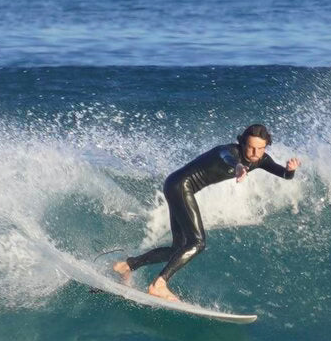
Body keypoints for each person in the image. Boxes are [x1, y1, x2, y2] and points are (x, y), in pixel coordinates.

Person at [113, 123, 300, 301]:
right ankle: (159, 284)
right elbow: (228, 158)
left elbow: (283, 174)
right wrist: (238, 167)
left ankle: (127, 265)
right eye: (251, 147)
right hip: (180, 186)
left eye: (261, 148)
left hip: (175, 185)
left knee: (178, 248)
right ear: (242, 143)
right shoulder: (229, 151)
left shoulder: (260, 159)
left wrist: (290, 170)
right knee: (198, 242)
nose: (255, 153)